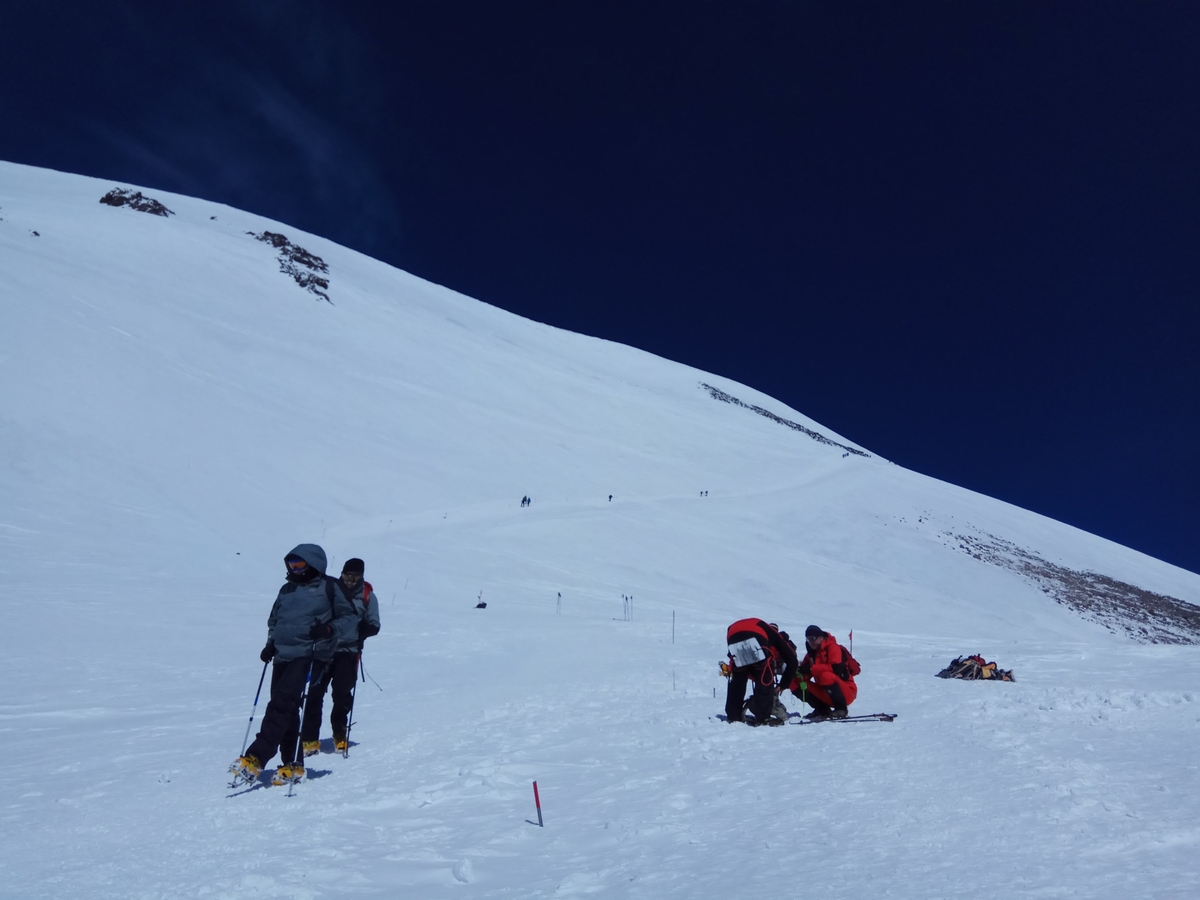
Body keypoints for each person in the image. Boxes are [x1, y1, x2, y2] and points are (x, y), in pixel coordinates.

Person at [229, 544, 356, 786]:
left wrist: (330, 629)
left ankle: (255, 757)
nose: (295, 570)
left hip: (311, 654)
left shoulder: (330, 587)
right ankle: (292, 765)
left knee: (281, 705)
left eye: (300, 565)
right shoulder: (286, 590)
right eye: (291, 565)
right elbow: (274, 620)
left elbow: (350, 619)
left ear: (314, 564)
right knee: (286, 708)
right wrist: (270, 644)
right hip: (282, 656)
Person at [300, 557, 381, 755]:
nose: (350, 580)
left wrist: (365, 629)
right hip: (323, 648)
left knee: (341, 694)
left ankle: (339, 733)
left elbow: (375, 624)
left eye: (355, 576)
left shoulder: (367, 596)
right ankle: (309, 739)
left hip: (349, 650)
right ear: (342, 573)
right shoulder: (331, 590)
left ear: (362, 576)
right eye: (347, 575)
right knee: (315, 693)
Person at [724, 618, 798, 726]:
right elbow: (792, 661)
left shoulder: (760, 624)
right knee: (765, 673)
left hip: (732, 633)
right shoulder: (773, 634)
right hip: (755, 635)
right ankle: (763, 717)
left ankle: (733, 715)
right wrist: (783, 685)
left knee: (739, 673)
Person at [792, 625, 858, 719]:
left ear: (821, 637)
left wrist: (811, 669)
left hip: (846, 692)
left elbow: (836, 668)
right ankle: (822, 709)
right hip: (825, 692)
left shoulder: (832, 647)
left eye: (813, 638)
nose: (811, 642)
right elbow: (805, 673)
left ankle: (841, 709)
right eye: (808, 639)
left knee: (825, 676)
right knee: (794, 682)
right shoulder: (811, 654)